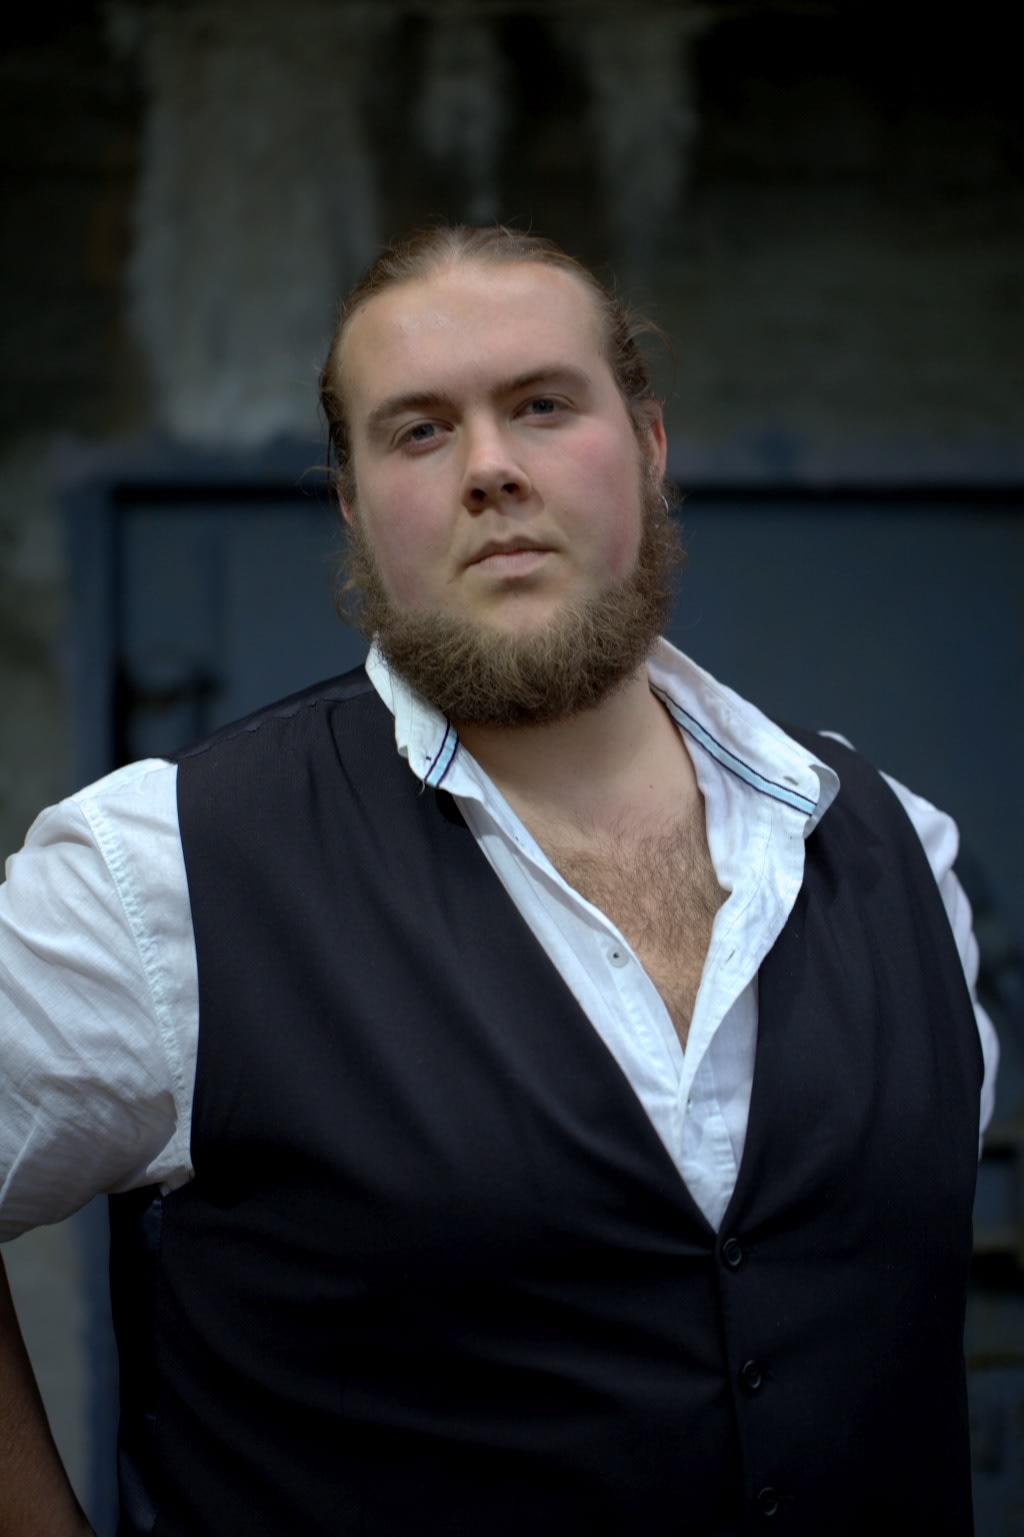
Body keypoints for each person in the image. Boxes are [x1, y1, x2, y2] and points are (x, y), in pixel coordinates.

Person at [0, 224, 998, 1537]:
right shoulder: (163, 872)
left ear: (648, 446)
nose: (489, 469)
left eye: (541, 405)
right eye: (419, 430)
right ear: (354, 507)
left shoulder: (900, 851)